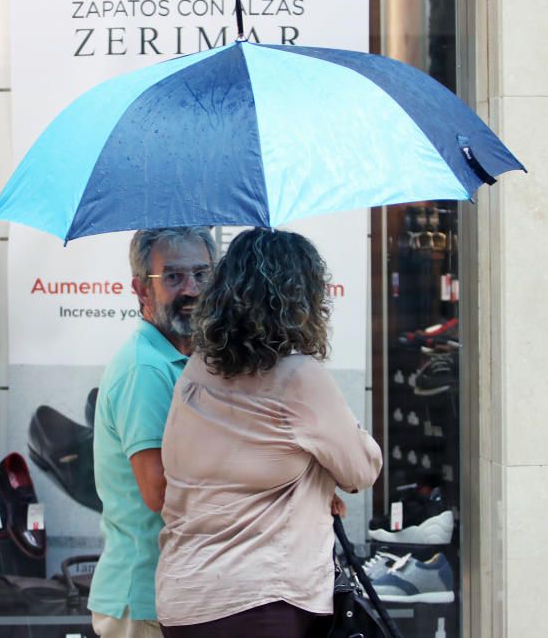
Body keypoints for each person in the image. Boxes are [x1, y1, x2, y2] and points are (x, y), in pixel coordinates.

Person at [156, 228, 383, 638]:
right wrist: (322, 473)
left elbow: (225, 466)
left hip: (185, 597)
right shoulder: (298, 377)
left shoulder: (198, 368)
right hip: (262, 600)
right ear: (304, 300)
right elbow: (361, 468)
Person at [88, 227, 216, 638]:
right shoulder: (146, 368)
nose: (192, 289)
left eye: (202, 274)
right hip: (146, 598)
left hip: (169, 592)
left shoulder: (187, 360)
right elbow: (161, 493)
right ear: (141, 290)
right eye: (174, 277)